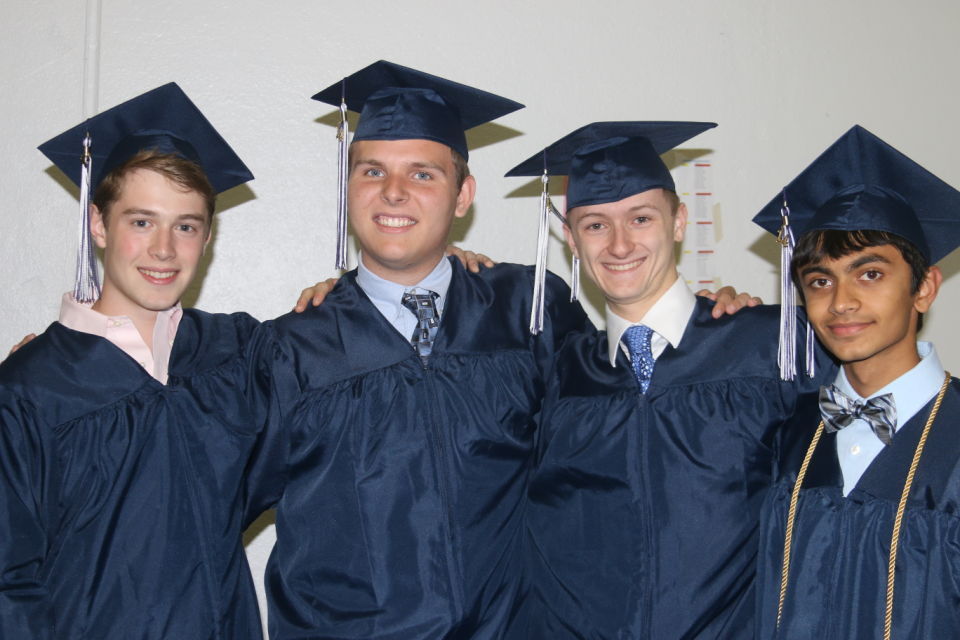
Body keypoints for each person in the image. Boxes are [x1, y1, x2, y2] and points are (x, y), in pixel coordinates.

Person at [242, 60, 592, 639]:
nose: (395, 192)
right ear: (348, 186)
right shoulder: (292, 348)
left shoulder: (531, 312)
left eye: (424, 175)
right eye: (372, 171)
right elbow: (195, 497)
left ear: (463, 195)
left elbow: (620, 444)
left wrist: (712, 326)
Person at [503, 122, 833, 638]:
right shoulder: (557, 370)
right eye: (594, 225)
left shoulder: (772, 347)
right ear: (569, 238)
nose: (619, 245)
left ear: (679, 221)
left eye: (640, 218)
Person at [0, 83, 264, 639]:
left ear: (207, 236)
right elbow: (7, 580)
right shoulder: (30, 387)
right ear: (99, 224)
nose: (164, 249)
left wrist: (442, 270)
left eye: (185, 226)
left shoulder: (237, 354)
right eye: (141, 221)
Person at [752, 125, 960, 640]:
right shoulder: (787, 433)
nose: (841, 302)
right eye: (820, 280)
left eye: (870, 274)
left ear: (924, 288)